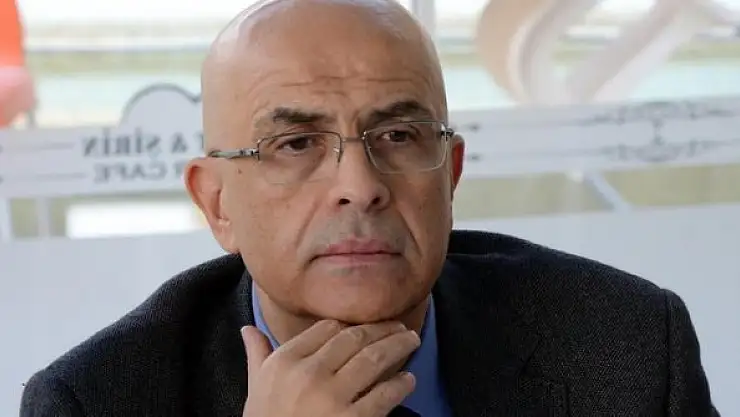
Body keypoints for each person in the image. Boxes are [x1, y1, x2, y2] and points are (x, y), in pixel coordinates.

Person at [20, 0, 719, 416]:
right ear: (217, 202)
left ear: (450, 175)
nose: (359, 184)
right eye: (296, 143)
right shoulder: (97, 400)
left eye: (398, 135)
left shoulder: (623, 345)